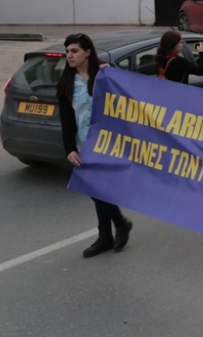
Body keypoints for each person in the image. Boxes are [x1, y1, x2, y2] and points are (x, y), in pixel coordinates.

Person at [57, 33, 132, 258]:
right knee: (96, 190)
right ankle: (116, 226)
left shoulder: (105, 74)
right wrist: (70, 149)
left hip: (109, 143)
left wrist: (114, 75)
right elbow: (66, 119)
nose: (69, 55)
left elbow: (129, 98)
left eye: (74, 51)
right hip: (84, 144)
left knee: (100, 188)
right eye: (67, 51)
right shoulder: (66, 83)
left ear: (87, 52)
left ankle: (108, 233)